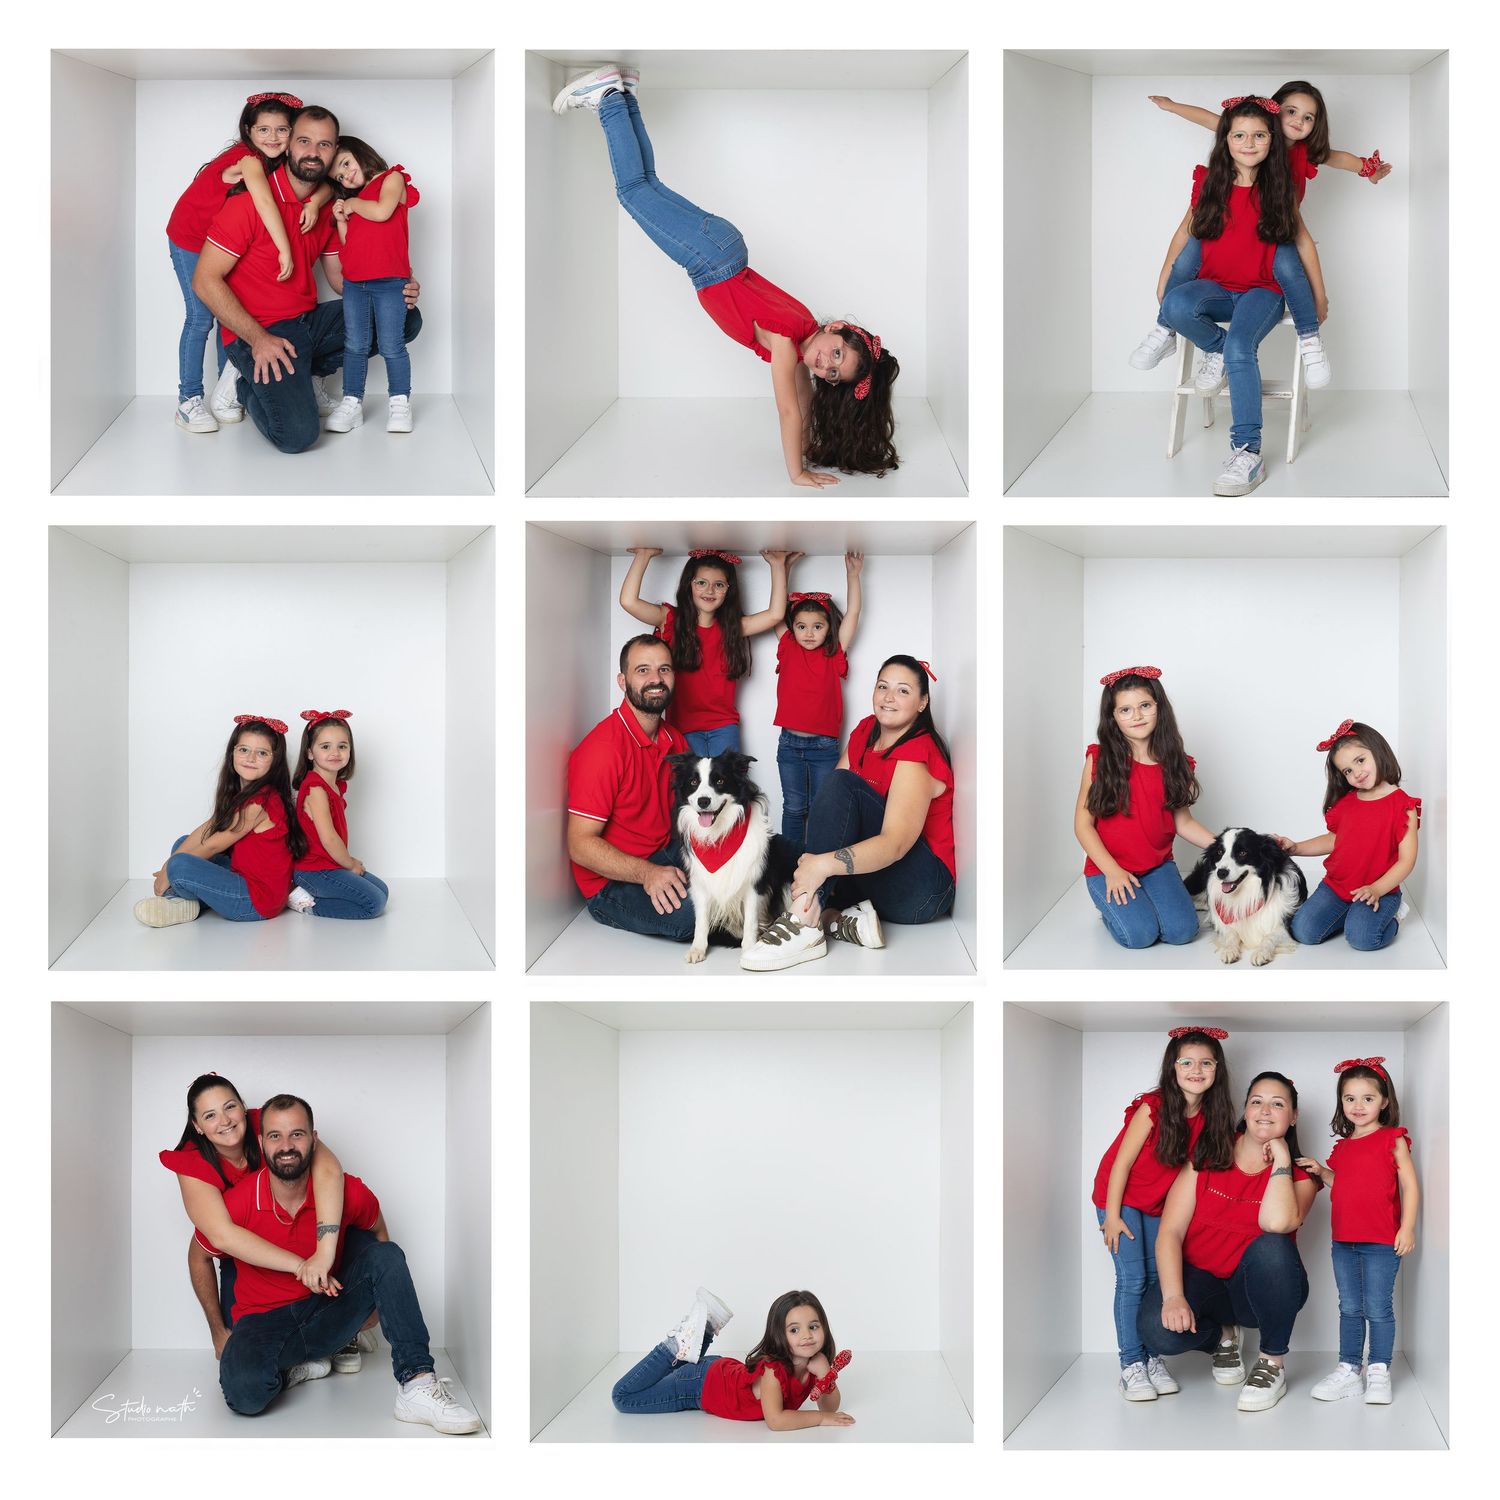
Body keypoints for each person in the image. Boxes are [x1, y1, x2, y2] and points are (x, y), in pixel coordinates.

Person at [553, 65, 899, 484]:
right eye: (837, 355)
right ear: (839, 329)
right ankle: (608, 99)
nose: (825, 364)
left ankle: (624, 96)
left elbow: (803, 397)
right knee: (631, 191)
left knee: (647, 184)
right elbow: (789, 409)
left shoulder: (804, 329)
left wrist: (811, 444)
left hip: (723, 246)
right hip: (710, 259)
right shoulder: (789, 344)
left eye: (831, 373)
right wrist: (796, 472)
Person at [216, 1093, 480, 1432]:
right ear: (260, 1142)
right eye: (275, 1136)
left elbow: (381, 1239)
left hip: (326, 1310)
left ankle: (416, 1384)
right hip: (262, 1323)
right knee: (245, 1397)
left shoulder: (347, 1191)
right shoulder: (237, 1202)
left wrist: (376, 1306)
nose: (286, 1145)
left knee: (386, 1254)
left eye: (297, 1134)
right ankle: (296, 1367)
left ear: (314, 1138)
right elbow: (200, 1253)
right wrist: (216, 1329)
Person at [191, 106, 422, 454]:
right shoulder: (249, 203)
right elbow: (205, 280)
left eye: (325, 145)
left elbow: (343, 283)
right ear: (287, 146)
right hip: (261, 330)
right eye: (303, 141)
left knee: (406, 319)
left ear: (334, 154)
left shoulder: (330, 209)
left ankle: (308, 373)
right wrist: (257, 339)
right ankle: (243, 381)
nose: (313, 152)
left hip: (305, 322)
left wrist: (396, 285)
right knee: (298, 435)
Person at [1133, 82, 1392, 390]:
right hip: (1240, 232)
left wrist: (1367, 169)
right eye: (1291, 112)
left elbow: (1340, 158)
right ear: (1272, 114)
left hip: (1277, 230)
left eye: (1308, 117)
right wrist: (1172, 106)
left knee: (1284, 261)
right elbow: (1210, 120)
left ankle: (1309, 339)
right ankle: (1166, 328)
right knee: (1194, 245)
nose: (1298, 121)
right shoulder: (1259, 139)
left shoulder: (1306, 152)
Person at [742, 654, 955, 970]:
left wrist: (821, 865)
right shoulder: (866, 731)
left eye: (903, 691)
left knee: (842, 787)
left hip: (923, 890)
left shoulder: (917, 753)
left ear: (923, 702)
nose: (888, 697)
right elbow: (832, 812)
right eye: (882, 686)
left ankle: (805, 921)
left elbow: (894, 844)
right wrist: (817, 862)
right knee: (780, 847)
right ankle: (836, 919)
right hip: (879, 873)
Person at [1139, 1072, 1321, 1412]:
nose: (1265, 1111)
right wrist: (1175, 1297)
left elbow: (1276, 1223)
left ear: (1293, 1116)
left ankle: (1272, 1362)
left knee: (1272, 1245)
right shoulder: (1209, 1153)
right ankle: (1222, 1338)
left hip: (1256, 1295)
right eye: (1257, 1101)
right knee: (1156, 1331)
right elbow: (1171, 1231)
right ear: (1246, 1108)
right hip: (1204, 1285)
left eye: (1278, 1104)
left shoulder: (1303, 1175)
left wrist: (1281, 1159)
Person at [157, 1072, 360, 1363]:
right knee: (249, 1348)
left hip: (295, 1230)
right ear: (197, 1126)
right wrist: (217, 1331)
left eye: (229, 1107)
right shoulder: (192, 1162)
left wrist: (324, 1255)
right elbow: (219, 1238)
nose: (225, 1121)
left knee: (347, 1218)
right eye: (210, 1115)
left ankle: (343, 1330)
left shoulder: (268, 1125)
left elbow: (327, 1170)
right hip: (245, 1256)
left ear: (243, 1106)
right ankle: (301, 1358)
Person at [1153, 98, 1297, 497]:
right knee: (1175, 304)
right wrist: (1166, 270)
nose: (1248, 143)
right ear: (1226, 139)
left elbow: (1302, 243)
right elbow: (1185, 231)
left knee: (1240, 347)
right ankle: (1214, 349)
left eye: (1259, 135)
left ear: (1271, 140)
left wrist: (1318, 300)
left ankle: (1247, 451)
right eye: (1239, 135)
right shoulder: (1211, 184)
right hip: (1218, 287)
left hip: (1262, 291)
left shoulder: (1279, 187)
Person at [166, 92, 332, 432]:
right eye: (263, 130)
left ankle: (227, 388)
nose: (272, 138)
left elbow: (326, 182)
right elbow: (265, 205)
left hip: (222, 241)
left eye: (282, 130)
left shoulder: (276, 161)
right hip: (190, 238)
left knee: (231, 309)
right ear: (248, 132)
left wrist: (315, 201)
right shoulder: (250, 160)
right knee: (201, 316)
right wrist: (284, 247)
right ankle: (189, 399)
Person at [1091, 1027, 1235, 1402]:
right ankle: (1132, 1365)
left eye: (1205, 1062)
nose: (1195, 1069)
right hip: (1118, 1199)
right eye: (1186, 1062)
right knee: (1132, 1280)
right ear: (1172, 1067)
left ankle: (1152, 1357)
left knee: (1157, 1279)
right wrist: (1110, 1214)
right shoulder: (1152, 1107)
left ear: (1217, 1069)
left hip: (1157, 1204)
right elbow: (1121, 1163)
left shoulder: (1211, 1115)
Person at [1298, 1056, 1420, 1405]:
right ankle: (1349, 1369)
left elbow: (1409, 1186)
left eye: (1368, 1098)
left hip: (1381, 1240)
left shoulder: (1392, 1139)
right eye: (1350, 1098)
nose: (1358, 1105)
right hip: (1344, 1241)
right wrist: (1322, 1171)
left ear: (1384, 1101)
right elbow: (1345, 1186)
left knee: (1378, 1308)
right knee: (1349, 1306)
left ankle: (1379, 1369)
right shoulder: (1343, 1146)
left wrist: (1407, 1227)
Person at [1074, 665, 1215, 950]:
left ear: (1159, 708)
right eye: (1125, 710)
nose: (1136, 716)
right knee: (1139, 936)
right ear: (1112, 718)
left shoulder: (1178, 764)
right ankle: (1113, 909)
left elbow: (1183, 822)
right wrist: (1112, 871)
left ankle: (1148, 901)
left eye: (1144, 706)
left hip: (1156, 866)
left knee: (1183, 932)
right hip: (1107, 867)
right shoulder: (1099, 760)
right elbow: (1082, 825)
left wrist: (1225, 846)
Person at [566, 636, 695, 941]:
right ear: (623, 681)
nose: (656, 679)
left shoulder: (675, 740)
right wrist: (648, 873)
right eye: (643, 670)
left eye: (664, 670)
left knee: (761, 853)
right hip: (612, 882)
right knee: (695, 917)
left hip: (664, 853)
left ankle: (816, 905)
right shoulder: (602, 749)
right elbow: (580, 845)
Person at [618, 547, 797, 755]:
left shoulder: (732, 627)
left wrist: (777, 566)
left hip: (724, 727)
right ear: (689, 585)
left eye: (718, 585)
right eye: (701, 583)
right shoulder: (671, 620)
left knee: (729, 787)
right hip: (681, 728)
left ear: (728, 590)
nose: (709, 591)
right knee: (687, 787)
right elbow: (628, 601)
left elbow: (775, 615)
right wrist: (644, 555)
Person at [134, 714, 301, 928]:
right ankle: (189, 899)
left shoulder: (260, 802)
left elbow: (214, 844)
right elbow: (211, 826)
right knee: (182, 844)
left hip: (256, 901)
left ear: (275, 760)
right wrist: (170, 863)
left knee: (181, 864)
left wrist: (169, 870)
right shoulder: (243, 793)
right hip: (242, 875)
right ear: (232, 752)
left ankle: (179, 899)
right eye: (243, 750)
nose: (250, 758)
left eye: (261, 753)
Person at [611, 1287, 853, 1430]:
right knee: (623, 1397)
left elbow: (831, 1406)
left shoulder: (813, 1364)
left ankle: (705, 1330)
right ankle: (673, 1347)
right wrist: (821, 1419)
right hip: (696, 1386)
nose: (806, 1336)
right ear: (779, 1334)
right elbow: (776, 1420)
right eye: (794, 1330)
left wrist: (826, 1375)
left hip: (716, 1372)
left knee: (643, 1389)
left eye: (813, 1326)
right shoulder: (774, 1371)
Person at [1277, 718, 1420, 952]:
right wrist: (1296, 847)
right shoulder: (1347, 803)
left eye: (1360, 760)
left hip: (1378, 890)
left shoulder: (1403, 805)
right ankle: (1349, 915)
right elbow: (1334, 840)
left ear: (1378, 751)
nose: (1357, 773)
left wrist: (1376, 889)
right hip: (1337, 887)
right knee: (1302, 931)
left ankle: (1393, 915)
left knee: (1362, 939)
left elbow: (1407, 860)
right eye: (1348, 770)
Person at [325, 136, 420, 434]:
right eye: (339, 176)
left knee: (392, 345)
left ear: (360, 152)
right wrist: (342, 220)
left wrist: (351, 203)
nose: (346, 175)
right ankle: (352, 402)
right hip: (355, 283)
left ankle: (400, 403)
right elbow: (349, 246)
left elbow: (383, 211)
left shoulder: (392, 178)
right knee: (355, 345)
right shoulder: (356, 204)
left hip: (390, 282)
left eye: (346, 163)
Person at [773, 554, 863, 842]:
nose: (808, 633)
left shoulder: (834, 653)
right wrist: (784, 568)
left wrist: (853, 575)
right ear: (793, 627)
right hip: (789, 744)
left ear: (829, 628)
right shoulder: (787, 645)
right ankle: (793, 866)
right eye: (801, 626)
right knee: (794, 808)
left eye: (817, 626)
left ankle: (817, 867)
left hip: (824, 747)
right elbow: (777, 612)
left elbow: (852, 615)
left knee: (822, 809)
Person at [287, 710, 389, 919]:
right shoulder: (316, 788)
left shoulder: (334, 785)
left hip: (331, 865)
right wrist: (350, 863)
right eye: (325, 747)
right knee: (374, 904)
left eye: (342, 746)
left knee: (383, 891)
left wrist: (347, 863)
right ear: (309, 753)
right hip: (313, 870)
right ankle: (305, 903)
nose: (335, 752)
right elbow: (329, 838)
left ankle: (325, 894)